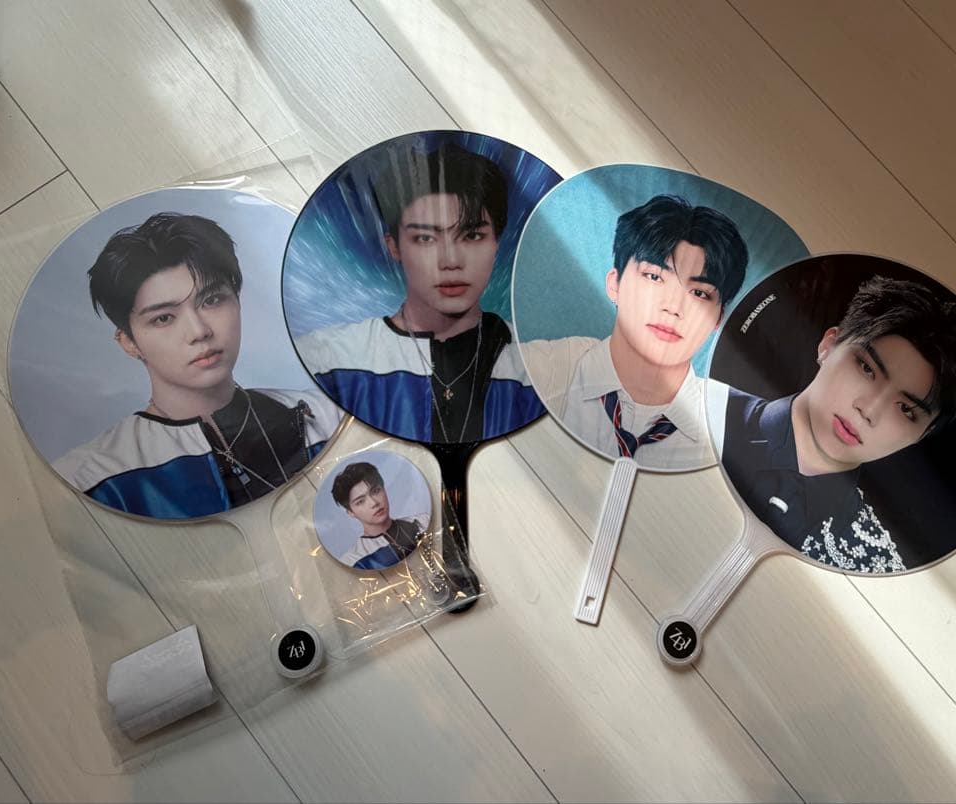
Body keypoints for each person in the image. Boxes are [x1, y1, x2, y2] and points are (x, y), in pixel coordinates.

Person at [54, 212, 342, 519]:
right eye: (163, 318)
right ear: (128, 342)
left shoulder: (326, 415)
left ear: (237, 302)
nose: (199, 331)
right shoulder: (92, 480)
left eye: (212, 300)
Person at [711, 275, 956, 572]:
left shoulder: (874, 564)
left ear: (923, 434)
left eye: (905, 409)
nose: (868, 409)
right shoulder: (705, 404)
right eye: (866, 368)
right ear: (828, 345)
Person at [294, 142, 543, 443]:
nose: (450, 261)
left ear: (496, 244)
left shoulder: (543, 366)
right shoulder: (328, 358)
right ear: (394, 247)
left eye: (472, 235)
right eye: (425, 238)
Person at [520, 194, 748, 469]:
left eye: (699, 293)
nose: (673, 307)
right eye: (654, 277)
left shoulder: (732, 427)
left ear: (718, 319)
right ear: (614, 284)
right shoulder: (541, 367)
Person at [330, 461, 428, 570]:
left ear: (384, 489)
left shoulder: (423, 521)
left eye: (376, 491)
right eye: (360, 501)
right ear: (351, 512)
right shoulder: (352, 560)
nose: (374, 503)